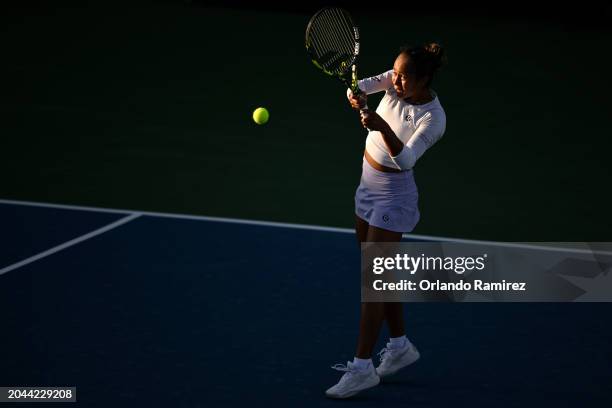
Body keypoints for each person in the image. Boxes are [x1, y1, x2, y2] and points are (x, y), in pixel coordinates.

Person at [325, 43, 447, 399]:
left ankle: (362, 368)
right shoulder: (392, 81)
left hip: (394, 197)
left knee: (373, 283)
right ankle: (400, 346)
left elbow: (406, 160)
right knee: (379, 274)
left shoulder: (434, 118)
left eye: (403, 76)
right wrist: (355, 96)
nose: (394, 80)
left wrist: (379, 124)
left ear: (423, 79)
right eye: (393, 72)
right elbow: (357, 87)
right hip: (366, 185)